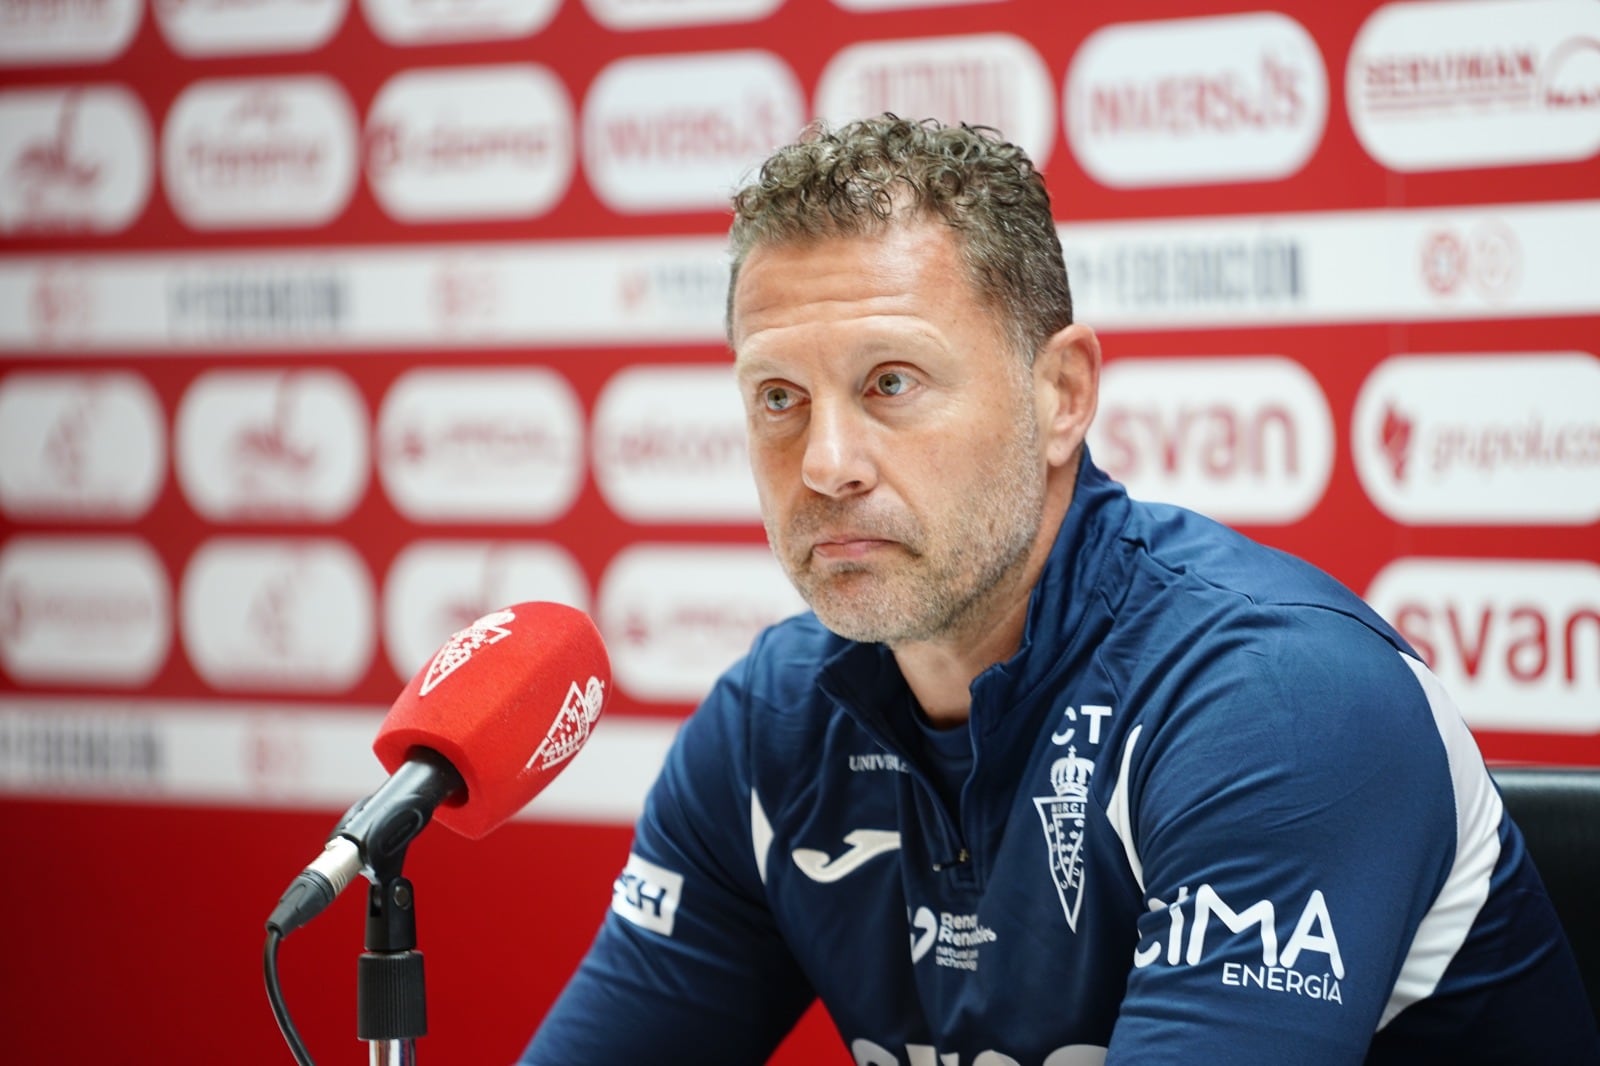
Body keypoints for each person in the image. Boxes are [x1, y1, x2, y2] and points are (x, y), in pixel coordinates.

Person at [521, 115, 1598, 1064]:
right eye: (778, 397)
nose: (825, 462)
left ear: (1062, 394)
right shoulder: (771, 728)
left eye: (890, 382)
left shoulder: (1276, 698)